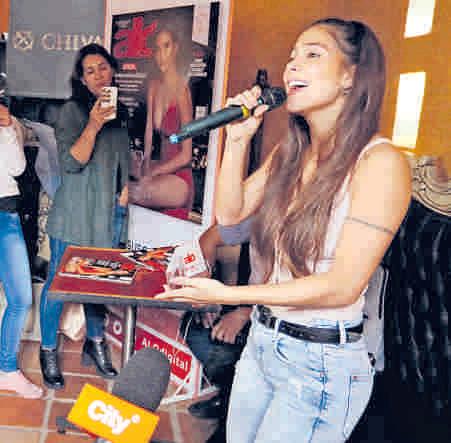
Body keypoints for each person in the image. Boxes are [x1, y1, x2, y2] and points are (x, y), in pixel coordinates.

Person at [157, 17, 412, 443]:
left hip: (320, 363)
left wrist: (230, 296)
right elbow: (231, 216)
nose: (292, 66)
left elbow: (342, 287)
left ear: (350, 77)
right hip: (263, 343)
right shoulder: (292, 153)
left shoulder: (380, 163)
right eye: (292, 56)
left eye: (313, 55)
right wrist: (238, 141)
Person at [39, 43, 129, 389]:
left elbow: (120, 156)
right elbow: (72, 162)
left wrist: (124, 191)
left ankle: (96, 343)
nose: (98, 75)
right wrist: (93, 123)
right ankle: (48, 350)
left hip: (105, 217)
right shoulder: (72, 112)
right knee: (57, 286)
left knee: (98, 285)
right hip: (74, 216)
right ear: (81, 78)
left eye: (103, 67)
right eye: (90, 71)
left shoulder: (120, 112)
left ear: (112, 70)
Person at [177, 223, 253, 443]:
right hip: (245, 306)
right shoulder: (258, 215)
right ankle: (228, 396)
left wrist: (244, 313)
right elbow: (208, 239)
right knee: (196, 328)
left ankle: (232, 406)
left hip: (277, 323)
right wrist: (206, 290)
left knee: (225, 354)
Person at [128, 24, 194, 220]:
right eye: (157, 49)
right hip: (158, 170)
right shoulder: (154, 86)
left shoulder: (182, 91)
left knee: (132, 192)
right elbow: (149, 131)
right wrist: (145, 164)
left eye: (166, 46)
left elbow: (186, 155)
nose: (161, 55)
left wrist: (154, 171)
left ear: (176, 48)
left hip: (178, 178)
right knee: (122, 182)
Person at [0, 103, 43, 399]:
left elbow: (17, 168)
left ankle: (7, 370)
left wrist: (6, 129)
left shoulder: (8, 121)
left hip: (7, 215)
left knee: (21, 297)